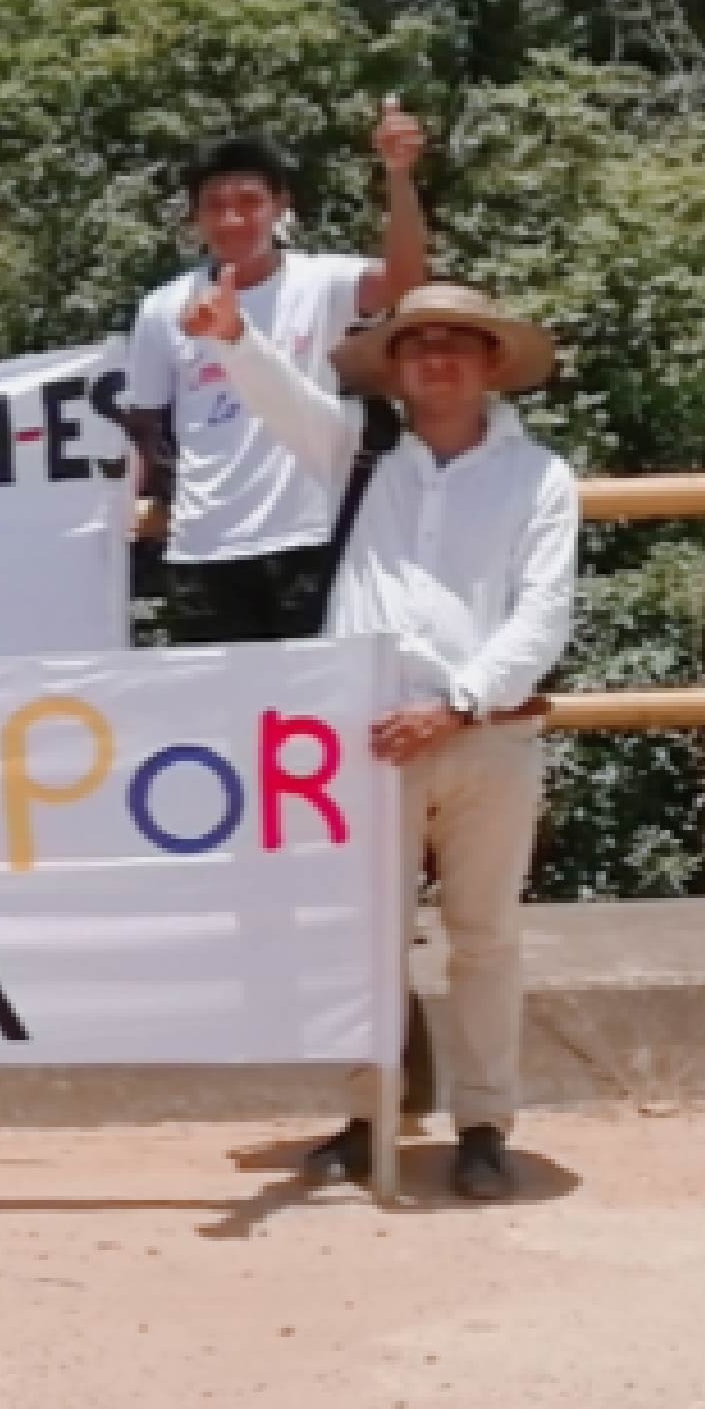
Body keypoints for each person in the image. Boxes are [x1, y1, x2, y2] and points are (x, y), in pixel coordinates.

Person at [180, 273, 579, 1202]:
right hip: (366, 736)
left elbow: (542, 612)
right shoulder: (362, 455)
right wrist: (233, 338)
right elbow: (284, 400)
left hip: (486, 731)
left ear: (489, 363)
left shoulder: (540, 478)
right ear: (395, 368)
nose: (435, 358)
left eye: (454, 342)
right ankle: (372, 1113)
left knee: (484, 934)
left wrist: (462, 702)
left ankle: (484, 1119)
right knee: (363, 939)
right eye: (415, 343)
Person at [121, 103, 432, 643]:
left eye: (249, 203)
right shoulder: (163, 308)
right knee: (219, 719)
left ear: (280, 206)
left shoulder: (322, 282)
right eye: (215, 206)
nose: (232, 220)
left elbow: (405, 281)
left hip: (309, 535)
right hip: (204, 543)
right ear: (195, 218)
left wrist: (399, 176)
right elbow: (142, 425)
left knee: (312, 717)